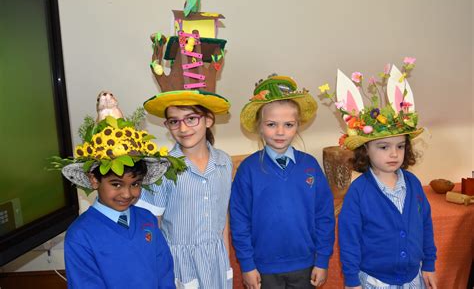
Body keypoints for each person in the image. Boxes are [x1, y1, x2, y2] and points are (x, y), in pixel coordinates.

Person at [322, 60, 437, 289]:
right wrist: (352, 281)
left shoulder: (413, 184)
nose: (394, 154)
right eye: (384, 147)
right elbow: (349, 239)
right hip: (374, 281)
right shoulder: (359, 192)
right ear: (366, 150)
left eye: (400, 146)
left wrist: (429, 265)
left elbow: (426, 224)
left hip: (414, 279)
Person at [57, 108, 185, 288]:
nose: (127, 194)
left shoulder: (146, 219)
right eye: (116, 184)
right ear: (94, 180)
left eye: (135, 184)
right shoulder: (80, 235)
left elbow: (164, 269)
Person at [230, 74, 335, 289]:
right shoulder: (248, 170)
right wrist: (247, 265)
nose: (280, 131)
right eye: (271, 124)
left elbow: (324, 215)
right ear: (259, 126)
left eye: (288, 124)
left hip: (306, 265)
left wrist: (322, 260)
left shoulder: (310, 166)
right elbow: (239, 222)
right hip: (263, 269)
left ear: (298, 126)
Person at [138, 90, 234, 289]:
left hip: (216, 259)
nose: (182, 127)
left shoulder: (224, 162)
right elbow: (150, 223)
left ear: (208, 120)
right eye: (174, 121)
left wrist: (226, 257)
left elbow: (222, 214)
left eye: (191, 119)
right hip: (179, 263)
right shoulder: (162, 168)